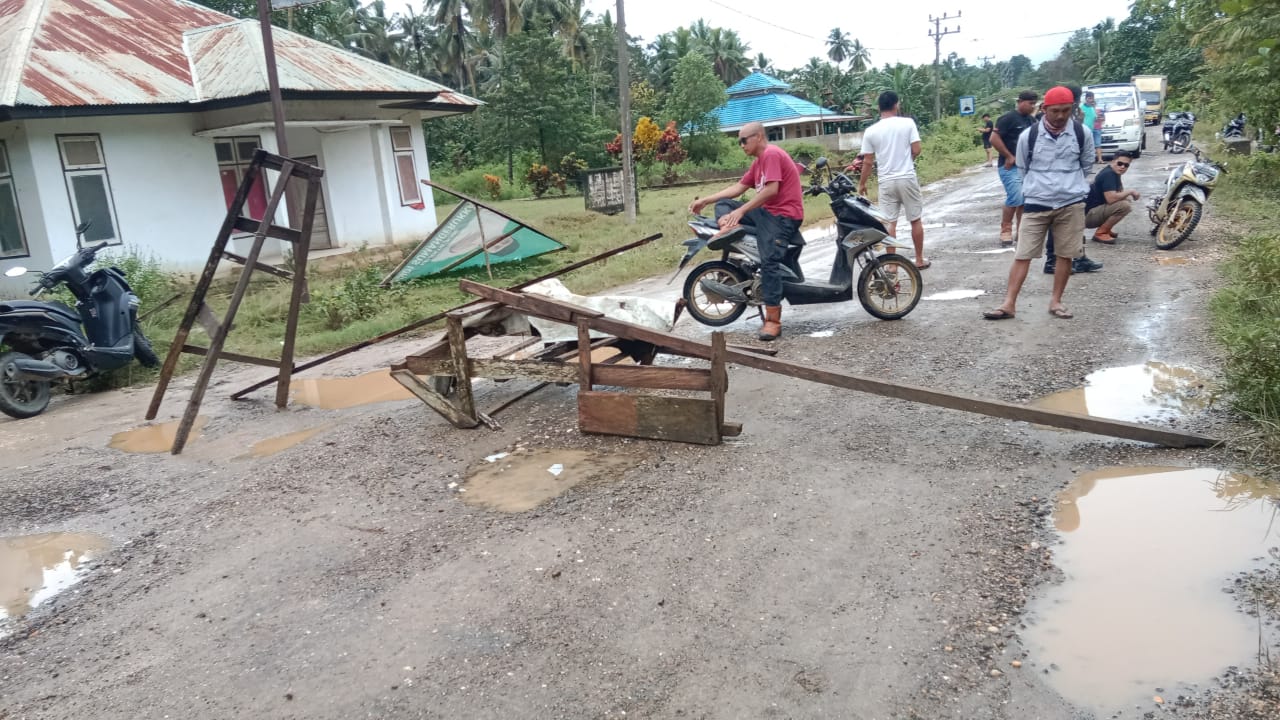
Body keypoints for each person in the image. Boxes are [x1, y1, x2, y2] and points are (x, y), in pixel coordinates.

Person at [984, 85, 1095, 321]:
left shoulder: (1081, 133)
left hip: (1071, 202)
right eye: (1055, 111)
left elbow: (1086, 164)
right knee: (1022, 253)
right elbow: (1023, 168)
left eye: (1066, 110)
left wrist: (1067, 186)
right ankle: (1009, 303)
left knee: (1065, 254)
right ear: (1045, 109)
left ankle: (1056, 301)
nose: (1061, 116)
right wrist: (1041, 188)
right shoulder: (1029, 136)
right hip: (1036, 202)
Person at [689, 121, 803, 341]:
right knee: (723, 204)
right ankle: (728, 228)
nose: (741, 145)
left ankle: (772, 321)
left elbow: (771, 190)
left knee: (769, 261)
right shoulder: (759, 161)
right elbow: (738, 188)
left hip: (783, 216)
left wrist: (741, 212)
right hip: (766, 213)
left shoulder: (771, 154)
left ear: (759, 137)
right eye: (739, 141)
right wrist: (706, 199)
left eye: (744, 140)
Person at [857, 91, 929, 269]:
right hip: (907, 177)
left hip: (886, 181)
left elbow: (867, 161)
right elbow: (917, 149)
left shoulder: (871, 131)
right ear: (896, 104)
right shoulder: (907, 123)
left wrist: (862, 183)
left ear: (879, 108)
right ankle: (919, 259)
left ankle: (892, 265)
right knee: (915, 220)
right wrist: (907, 159)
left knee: (889, 223)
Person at [1043, 85, 1103, 275]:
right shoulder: (1051, 118)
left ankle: (1079, 257)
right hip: (1053, 181)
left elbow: (1086, 159)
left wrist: (1077, 178)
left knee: (1075, 224)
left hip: (1072, 181)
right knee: (1057, 223)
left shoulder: (1076, 115)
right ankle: (1052, 260)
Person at [988, 90, 1038, 247]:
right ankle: (1006, 230)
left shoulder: (1031, 121)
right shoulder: (1007, 118)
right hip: (1009, 166)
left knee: (1024, 200)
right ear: (1021, 102)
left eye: (1034, 104)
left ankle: (1022, 231)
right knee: (1015, 197)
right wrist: (1009, 156)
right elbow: (993, 138)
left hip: (1027, 168)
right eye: (1030, 103)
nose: (1032, 107)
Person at [1085, 150, 1139, 244]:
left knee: (1125, 202)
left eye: (1126, 165)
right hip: (1087, 216)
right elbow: (1111, 199)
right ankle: (1101, 232)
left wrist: (1126, 195)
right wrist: (1130, 191)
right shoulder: (1108, 174)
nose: (1122, 167)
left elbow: (1118, 193)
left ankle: (1106, 228)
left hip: (1093, 212)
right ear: (1113, 161)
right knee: (1124, 206)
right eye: (1120, 163)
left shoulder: (1114, 173)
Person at [1082, 92, 1103, 164]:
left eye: (1092, 98)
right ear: (1086, 99)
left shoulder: (1092, 108)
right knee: (1086, 146)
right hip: (1084, 129)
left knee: (1096, 145)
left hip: (1092, 129)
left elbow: (1096, 117)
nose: (1091, 100)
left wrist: (1094, 108)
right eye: (1089, 98)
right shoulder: (1081, 107)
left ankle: (1099, 159)